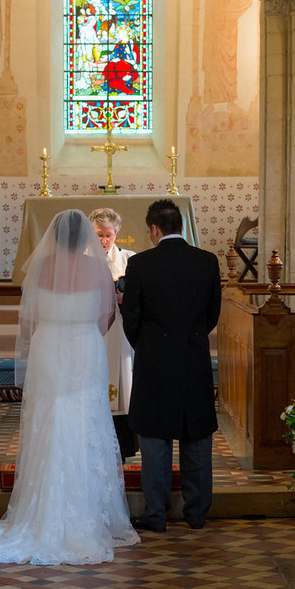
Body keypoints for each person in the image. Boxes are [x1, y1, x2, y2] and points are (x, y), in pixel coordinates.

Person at [0, 209, 139, 565]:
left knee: (49, 419)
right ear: (86, 238)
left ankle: (42, 510)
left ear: (55, 238)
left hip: (48, 349)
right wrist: (85, 334)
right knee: (84, 420)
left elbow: (28, 319)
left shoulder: (40, 269)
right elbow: (107, 315)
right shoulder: (97, 269)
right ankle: (84, 511)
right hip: (85, 347)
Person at [120, 198, 221, 532]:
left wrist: (149, 346)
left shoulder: (141, 265)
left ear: (154, 229)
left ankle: (156, 515)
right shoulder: (207, 262)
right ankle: (197, 514)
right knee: (197, 439)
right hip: (194, 359)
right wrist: (189, 339)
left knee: (155, 440)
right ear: (181, 226)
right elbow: (212, 314)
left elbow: (130, 317)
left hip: (154, 362)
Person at [88, 207, 138, 460]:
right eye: (98, 235)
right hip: (92, 330)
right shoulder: (80, 260)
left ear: (116, 233)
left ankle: (124, 445)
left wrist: (122, 297)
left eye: (109, 235)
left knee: (124, 383)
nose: (104, 241)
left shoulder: (130, 259)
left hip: (120, 331)